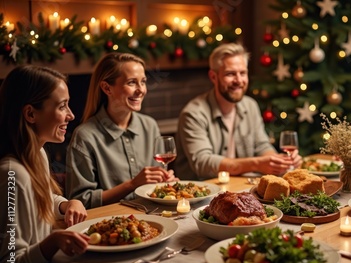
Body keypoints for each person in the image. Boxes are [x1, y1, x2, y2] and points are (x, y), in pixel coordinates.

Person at [0, 66, 89, 263]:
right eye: (62, 106)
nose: (71, 115)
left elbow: (38, 201)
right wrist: (52, 242)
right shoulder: (12, 175)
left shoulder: (37, 153)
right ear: (30, 114)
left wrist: (66, 204)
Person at [174, 43, 302, 180]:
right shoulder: (193, 113)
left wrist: (278, 161)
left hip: (240, 189)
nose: (239, 80)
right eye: (230, 74)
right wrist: (256, 164)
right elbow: (203, 164)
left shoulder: (250, 105)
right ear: (213, 77)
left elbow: (262, 146)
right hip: (201, 196)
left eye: (243, 73)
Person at [66, 53, 177, 209]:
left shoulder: (149, 125)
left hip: (152, 216)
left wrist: (166, 181)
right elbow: (80, 201)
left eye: (143, 82)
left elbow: (153, 186)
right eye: (132, 83)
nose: (141, 90)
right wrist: (132, 184)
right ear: (107, 88)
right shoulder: (85, 136)